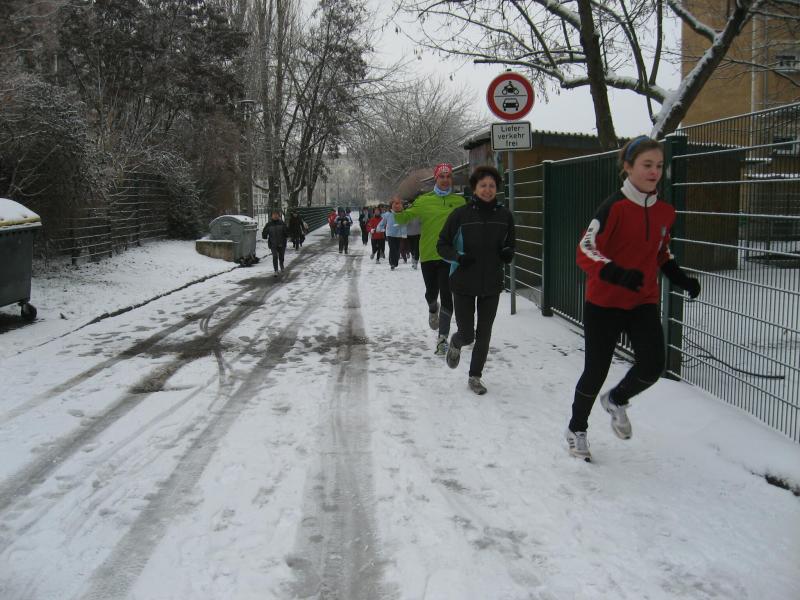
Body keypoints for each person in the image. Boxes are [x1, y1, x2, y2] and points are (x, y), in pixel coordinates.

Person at [565, 136, 701, 461]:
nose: (654, 172)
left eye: (659, 166)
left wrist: (680, 277)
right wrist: (614, 272)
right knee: (596, 371)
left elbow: (661, 252)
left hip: (642, 301)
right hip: (604, 302)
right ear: (628, 167)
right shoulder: (613, 207)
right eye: (646, 165)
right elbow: (585, 249)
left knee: (653, 365)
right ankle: (576, 428)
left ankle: (616, 399)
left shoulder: (665, 211)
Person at [437, 165, 515, 395]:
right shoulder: (460, 215)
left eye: (492, 186)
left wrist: (508, 252)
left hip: (491, 282)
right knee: (468, 334)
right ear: (474, 188)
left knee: (484, 333)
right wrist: (458, 257)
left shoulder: (505, 216)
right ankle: (456, 342)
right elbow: (442, 245)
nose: (487, 189)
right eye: (483, 185)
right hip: (463, 282)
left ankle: (475, 377)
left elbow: (510, 243)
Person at [394, 163, 466, 355]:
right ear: (436, 178)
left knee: (447, 295)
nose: (445, 180)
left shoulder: (460, 202)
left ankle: (442, 339)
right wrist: (399, 211)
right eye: (441, 176)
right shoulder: (424, 201)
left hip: (449, 257)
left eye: (448, 176)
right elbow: (404, 219)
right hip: (428, 255)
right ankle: (433, 308)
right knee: (431, 293)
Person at [380, 196, 408, 270]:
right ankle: (392, 263)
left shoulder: (402, 214)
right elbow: (382, 222)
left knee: (397, 249)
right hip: (390, 234)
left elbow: (404, 224)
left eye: (398, 204)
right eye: (394, 204)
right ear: (391, 205)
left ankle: (395, 262)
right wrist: (380, 228)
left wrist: (404, 233)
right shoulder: (388, 214)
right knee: (392, 248)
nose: (396, 206)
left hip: (398, 234)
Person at [262, 210, 289, 276]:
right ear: (271, 216)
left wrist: (287, 233)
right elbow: (264, 233)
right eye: (274, 214)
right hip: (273, 244)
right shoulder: (269, 224)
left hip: (282, 243)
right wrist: (264, 234)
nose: (275, 216)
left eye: (276, 214)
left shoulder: (282, 223)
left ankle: (281, 265)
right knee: (275, 256)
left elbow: (287, 232)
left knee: (281, 256)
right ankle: (276, 270)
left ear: (279, 216)